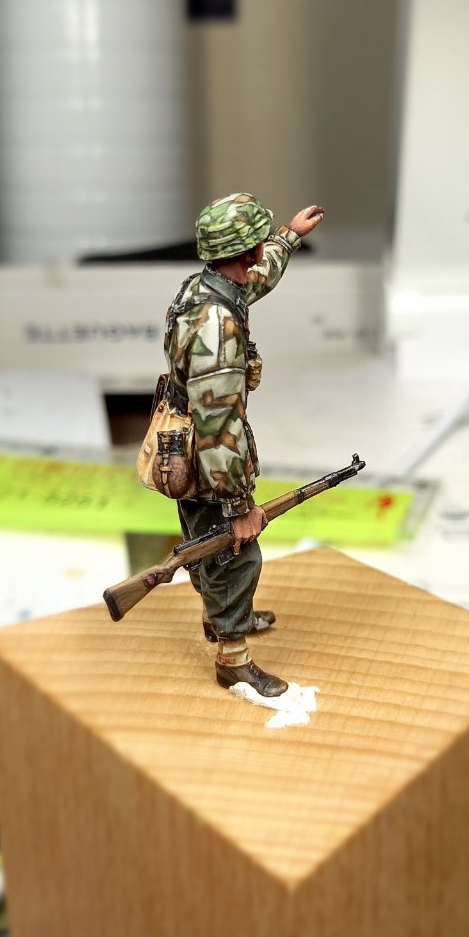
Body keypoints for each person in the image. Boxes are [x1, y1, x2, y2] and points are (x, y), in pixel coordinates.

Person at [165, 192, 324, 696]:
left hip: (183, 449)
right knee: (236, 554)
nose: (262, 248)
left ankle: (219, 620)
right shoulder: (219, 327)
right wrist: (238, 506)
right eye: (259, 240)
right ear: (245, 250)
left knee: (204, 545)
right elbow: (218, 424)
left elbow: (255, 279)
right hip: (211, 458)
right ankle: (232, 659)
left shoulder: (204, 289)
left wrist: (290, 237)